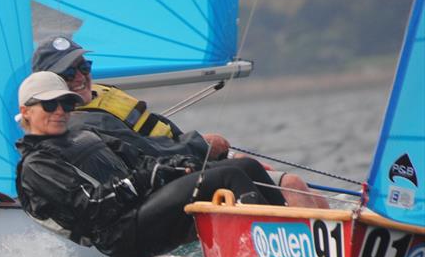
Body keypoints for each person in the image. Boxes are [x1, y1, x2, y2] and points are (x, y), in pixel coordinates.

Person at [15, 72, 287, 257]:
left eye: (66, 103)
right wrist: (147, 179)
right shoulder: (36, 165)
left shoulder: (84, 133)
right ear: (26, 111)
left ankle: (298, 242)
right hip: (122, 233)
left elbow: (140, 160)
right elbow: (92, 208)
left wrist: (178, 166)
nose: (60, 111)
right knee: (229, 177)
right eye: (50, 105)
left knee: (245, 166)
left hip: (144, 208)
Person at [31, 36, 329, 209]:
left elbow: (158, 134)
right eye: (70, 73)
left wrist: (201, 147)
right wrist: (200, 147)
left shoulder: (104, 94)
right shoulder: (79, 120)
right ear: (49, 83)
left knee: (300, 188)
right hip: (167, 179)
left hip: (184, 160)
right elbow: (146, 155)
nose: (82, 76)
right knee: (291, 184)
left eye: (84, 66)